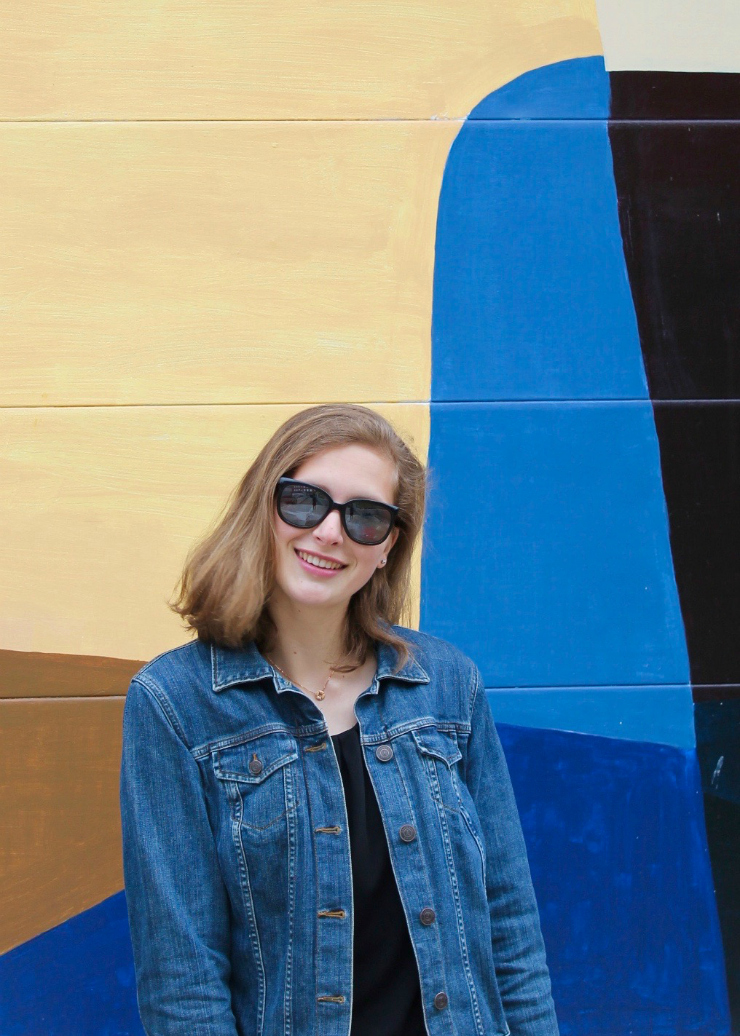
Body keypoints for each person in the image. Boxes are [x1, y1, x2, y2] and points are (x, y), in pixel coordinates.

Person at [120, 403, 559, 1036]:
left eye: (365, 516)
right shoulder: (176, 702)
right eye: (304, 501)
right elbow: (182, 979)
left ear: (387, 548)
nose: (329, 532)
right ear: (263, 510)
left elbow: (509, 923)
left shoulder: (445, 684)